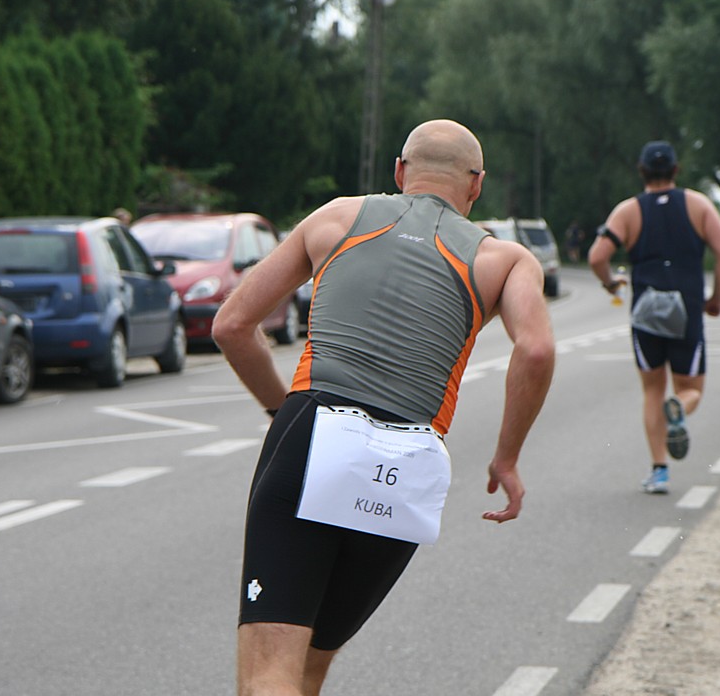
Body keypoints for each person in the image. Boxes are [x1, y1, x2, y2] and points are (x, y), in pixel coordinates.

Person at [211, 118, 556, 696]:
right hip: (410, 460)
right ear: (477, 185)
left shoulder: (336, 218)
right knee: (310, 667)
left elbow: (231, 325)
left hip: (316, 426)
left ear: (399, 171)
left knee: (269, 674)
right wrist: (507, 458)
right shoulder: (506, 260)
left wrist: (281, 411)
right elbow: (537, 350)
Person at [587, 140, 720, 495]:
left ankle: (659, 472)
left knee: (652, 390)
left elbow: (596, 257)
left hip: (646, 313)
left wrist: (610, 284)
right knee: (691, 389)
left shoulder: (628, 211)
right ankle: (679, 407)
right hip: (686, 310)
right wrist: (716, 298)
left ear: (641, 171)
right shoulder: (698, 205)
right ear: (675, 170)